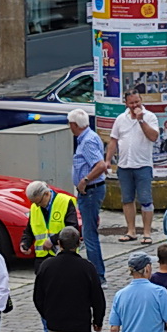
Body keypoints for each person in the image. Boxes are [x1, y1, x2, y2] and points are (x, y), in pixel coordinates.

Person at [109, 91, 159, 243]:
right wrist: (108, 160)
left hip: (143, 165)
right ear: (126, 104)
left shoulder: (150, 117)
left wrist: (141, 121)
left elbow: (154, 137)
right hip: (124, 165)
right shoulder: (120, 119)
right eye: (132, 103)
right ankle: (131, 230)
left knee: (145, 199)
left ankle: (147, 233)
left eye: (137, 102)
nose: (135, 105)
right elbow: (113, 141)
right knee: (127, 199)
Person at [68, 108, 109, 279]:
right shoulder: (89, 136)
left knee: (89, 234)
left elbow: (100, 165)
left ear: (74, 125)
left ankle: (98, 275)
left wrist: (84, 180)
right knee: (89, 230)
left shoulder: (87, 142)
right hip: (91, 191)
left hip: (90, 191)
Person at [21, 179, 79, 267]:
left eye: (39, 202)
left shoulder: (65, 202)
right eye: (34, 203)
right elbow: (29, 230)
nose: (37, 205)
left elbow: (72, 228)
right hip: (42, 257)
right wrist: (25, 243)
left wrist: (52, 240)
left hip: (63, 254)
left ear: (47, 194)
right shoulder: (34, 207)